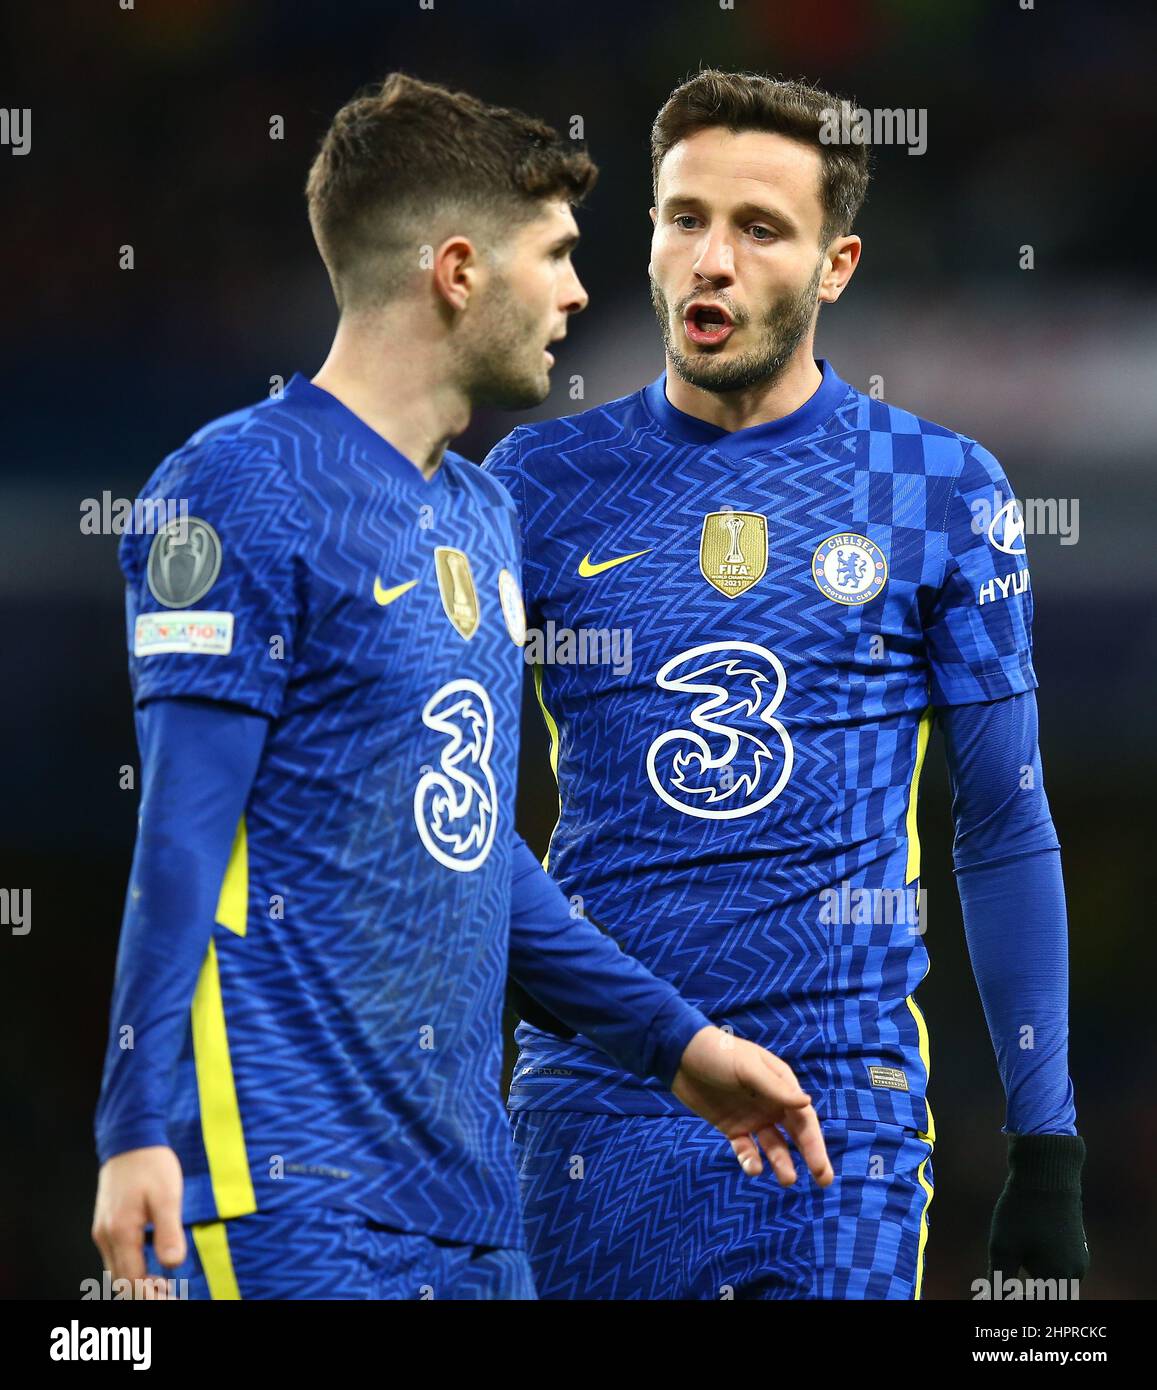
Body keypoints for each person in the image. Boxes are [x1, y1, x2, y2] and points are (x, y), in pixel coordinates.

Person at [91, 73, 832, 1303]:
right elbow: (180, 834)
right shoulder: (235, 488)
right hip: (281, 1192)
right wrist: (132, 1129)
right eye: (555, 255)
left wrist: (679, 1044)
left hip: (471, 1213)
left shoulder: (484, 516)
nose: (579, 292)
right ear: (455, 271)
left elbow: (474, 846)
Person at [484, 68, 1087, 1300]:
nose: (709, 260)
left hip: (835, 1122)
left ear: (835, 265)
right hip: (589, 1115)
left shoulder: (938, 489)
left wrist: (1046, 1141)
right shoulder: (534, 485)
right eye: (683, 218)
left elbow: (1002, 822)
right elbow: (457, 824)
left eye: (758, 228)